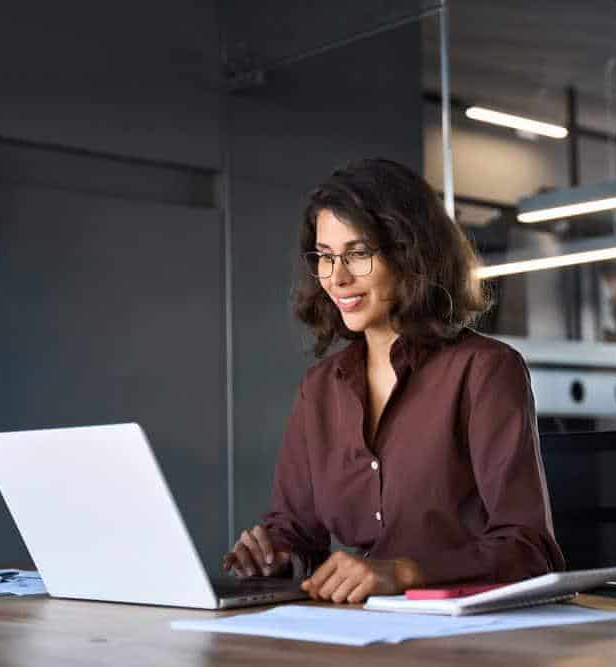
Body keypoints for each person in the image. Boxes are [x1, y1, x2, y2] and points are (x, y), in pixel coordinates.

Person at [221, 158, 564, 604]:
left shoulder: (484, 371)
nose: (337, 277)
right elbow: (297, 532)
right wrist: (276, 555)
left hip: (468, 636)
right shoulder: (320, 388)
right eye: (325, 257)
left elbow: (530, 550)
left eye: (359, 253)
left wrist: (405, 572)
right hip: (364, 627)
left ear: (409, 252)